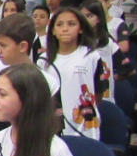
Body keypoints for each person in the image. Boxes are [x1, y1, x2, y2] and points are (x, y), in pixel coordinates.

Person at [39, 8, 104, 140]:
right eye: (59, 25)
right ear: (52, 30)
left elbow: (99, 91)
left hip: (85, 125)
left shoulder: (91, 56)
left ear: (80, 29)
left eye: (71, 24)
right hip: (54, 126)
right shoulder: (43, 61)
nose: (65, 29)